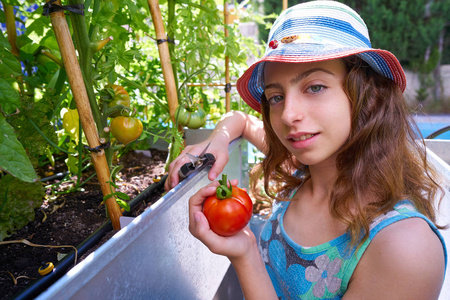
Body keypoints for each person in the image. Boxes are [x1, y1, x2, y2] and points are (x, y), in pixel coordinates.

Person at [165, 1, 447, 299]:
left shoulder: (403, 247)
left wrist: (245, 255)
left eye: (314, 87)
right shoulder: (306, 170)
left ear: (369, 95)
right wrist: (219, 140)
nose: (287, 115)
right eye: (276, 97)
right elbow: (242, 121)